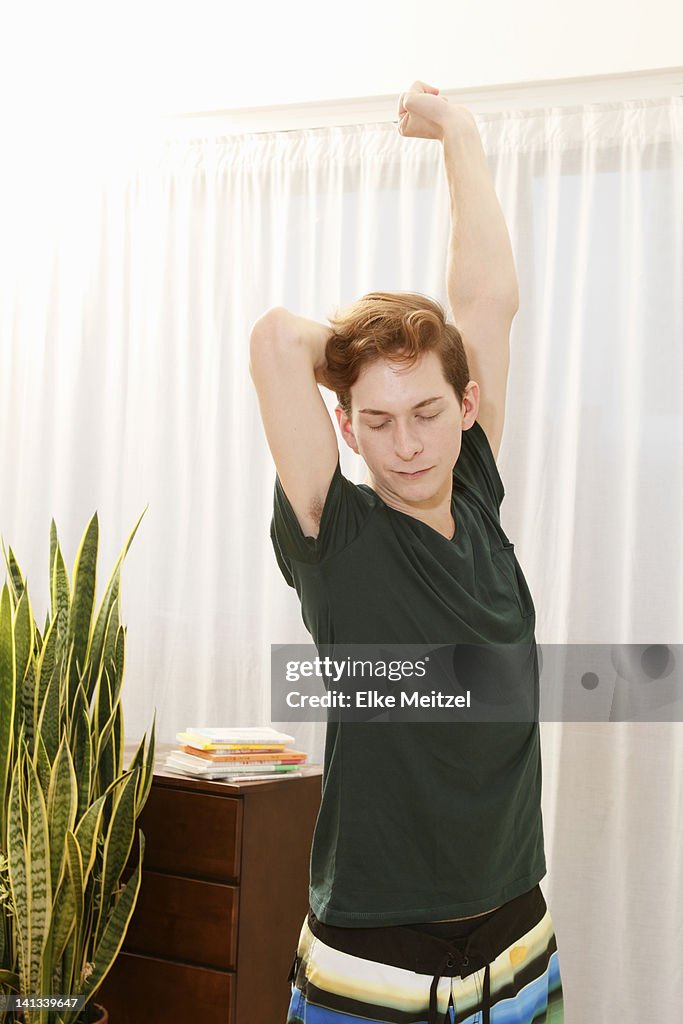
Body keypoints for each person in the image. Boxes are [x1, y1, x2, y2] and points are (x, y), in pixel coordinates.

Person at [250, 81, 564, 1024]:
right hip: (372, 966)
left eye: (428, 410)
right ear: (344, 428)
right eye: (376, 421)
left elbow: (487, 300)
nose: (409, 443)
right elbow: (274, 343)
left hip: (517, 941)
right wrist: (369, 351)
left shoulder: (475, 488)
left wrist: (458, 135)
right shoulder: (334, 537)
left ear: (465, 409)